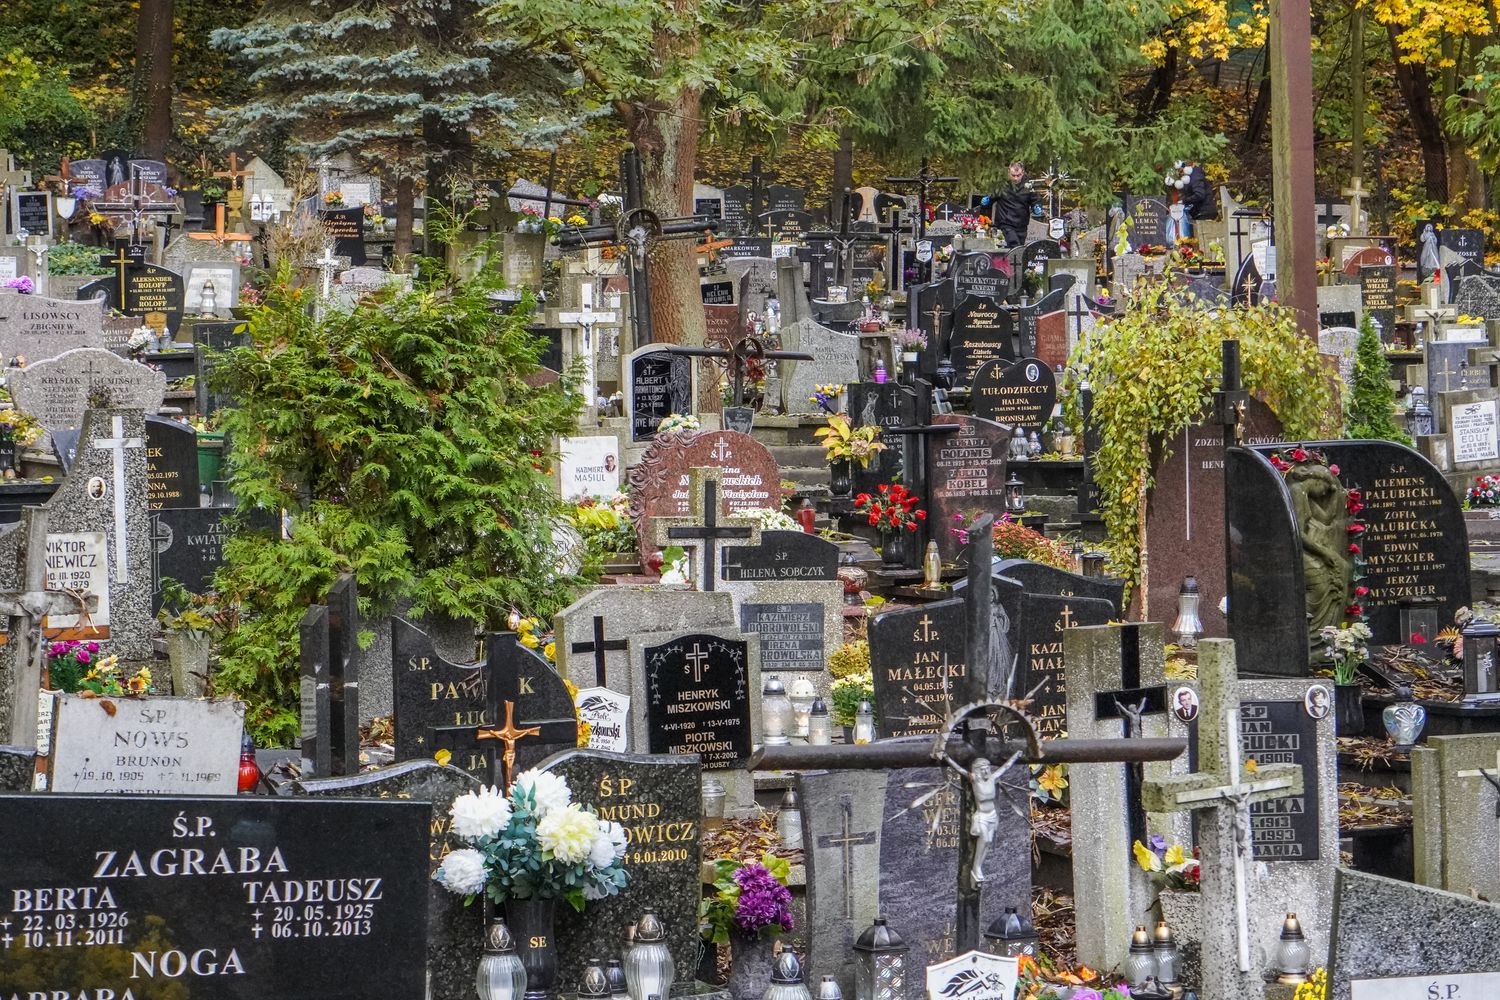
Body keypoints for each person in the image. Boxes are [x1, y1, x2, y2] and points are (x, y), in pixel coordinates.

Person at [984, 162, 1042, 248]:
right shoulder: (1002, 185)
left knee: (1019, 248)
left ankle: (1012, 261)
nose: (1015, 178)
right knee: (1014, 245)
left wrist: (1036, 207)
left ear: (1023, 172)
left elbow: (1034, 200)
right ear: (1009, 172)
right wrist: (986, 201)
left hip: (1021, 225)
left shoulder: (1028, 187)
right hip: (1005, 223)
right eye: (1013, 175)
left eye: (1018, 175)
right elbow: (992, 197)